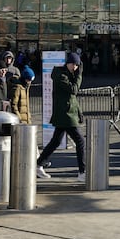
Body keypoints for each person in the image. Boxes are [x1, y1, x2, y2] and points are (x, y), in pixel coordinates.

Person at [37, 52, 87, 181]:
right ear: (68, 63)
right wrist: (79, 75)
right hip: (65, 114)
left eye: (77, 65)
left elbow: (72, 98)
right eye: (73, 64)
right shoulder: (61, 75)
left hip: (68, 113)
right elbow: (74, 90)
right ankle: (82, 171)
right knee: (80, 141)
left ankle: (38, 164)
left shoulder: (69, 74)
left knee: (56, 141)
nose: (75, 67)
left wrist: (79, 112)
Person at [3, 50, 30, 123]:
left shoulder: (15, 69)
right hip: (4, 94)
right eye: (7, 58)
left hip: (14, 94)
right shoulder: (2, 68)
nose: (8, 60)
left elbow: (20, 82)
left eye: (10, 58)